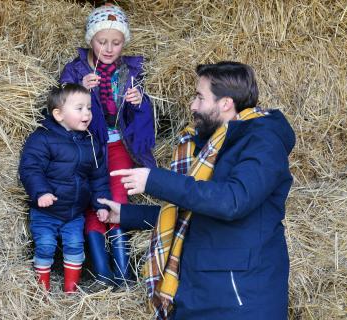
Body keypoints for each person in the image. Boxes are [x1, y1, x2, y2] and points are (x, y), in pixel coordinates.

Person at [97, 61, 295, 319]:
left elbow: (231, 201)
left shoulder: (262, 141)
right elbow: (192, 213)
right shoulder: (210, 144)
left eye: (200, 97)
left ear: (225, 103)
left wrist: (155, 180)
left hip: (240, 299)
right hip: (201, 292)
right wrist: (126, 215)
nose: (192, 105)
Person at [59, 3, 156, 288]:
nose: (109, 48)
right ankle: (102, 271)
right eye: (103, 42)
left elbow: (142, 115)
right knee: (93, 201)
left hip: (118, 145)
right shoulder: (76, 69)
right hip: (87, 146)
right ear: (91, 40)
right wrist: (78, 88)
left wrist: (139, 103)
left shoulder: (130, 70)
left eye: (117, 42)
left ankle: (123, 271)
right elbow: (59, 108)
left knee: (117, 198)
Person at [18, 83, 112, 293]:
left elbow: (98, 177)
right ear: (59, 114)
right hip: (46, 211)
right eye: (79, 108)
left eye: (89, 108)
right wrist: (41, 192)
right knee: (45, 246)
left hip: (74, 213)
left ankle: (71, 289)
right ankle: (42, 289)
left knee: (75, 246)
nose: (87, 113)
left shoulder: (91, 142)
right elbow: (30, 167)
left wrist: (101, 204)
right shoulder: (42, 138)